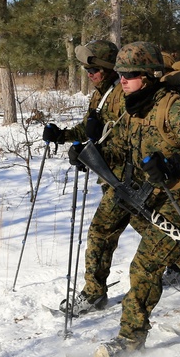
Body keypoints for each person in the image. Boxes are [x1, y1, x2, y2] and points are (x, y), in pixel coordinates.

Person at [82, 41, 180, 357]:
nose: (122, 80)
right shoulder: (135, 107)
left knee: (145, 266)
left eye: (129, 75)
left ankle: (130, 338)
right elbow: (118, 147)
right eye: (119, 74)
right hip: (148, 195)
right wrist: (86, 152)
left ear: (148, 76)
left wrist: (175, 165)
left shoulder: (172, 107)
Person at [42, 40, 130, 315]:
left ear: (106, 69)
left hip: (127, 178)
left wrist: (93, 148)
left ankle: (94, 295)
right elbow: (90, 127)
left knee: (101, 233)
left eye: (93, 70)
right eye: (85, 70)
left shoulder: (123, 94)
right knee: (154, 228)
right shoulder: (103, 93)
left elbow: (127, 139)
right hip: (113, 176)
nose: (88, 74)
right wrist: (63, 135)